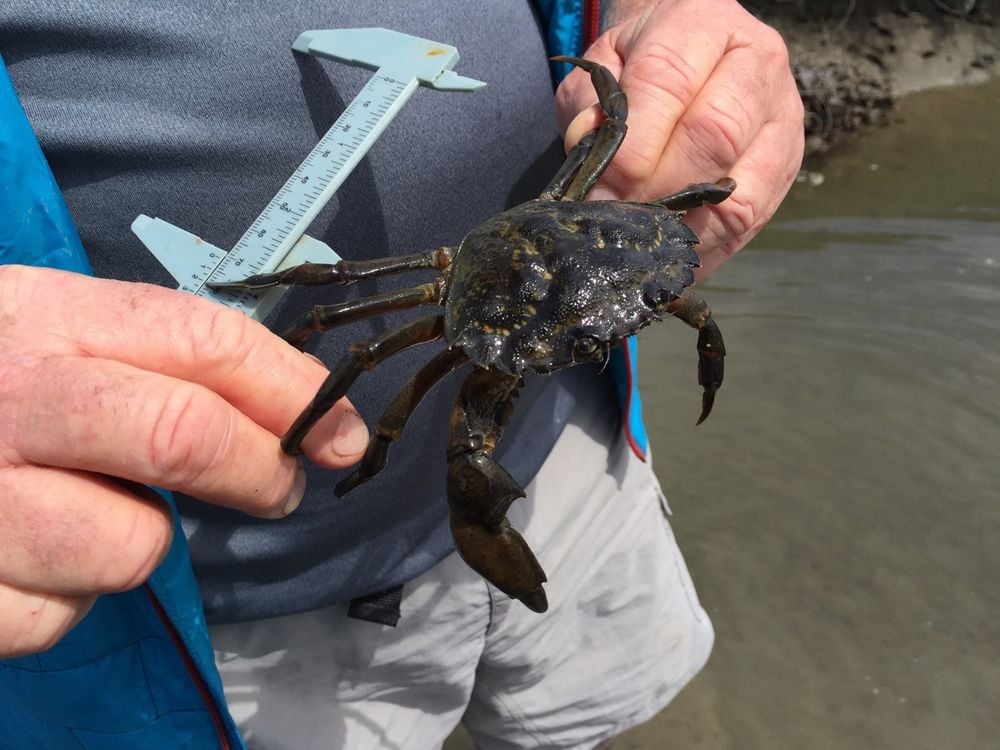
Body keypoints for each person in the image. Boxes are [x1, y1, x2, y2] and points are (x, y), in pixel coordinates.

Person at [0, 1, 803, 747]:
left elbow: (623, 126)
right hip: (220, 621)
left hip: (577, 451)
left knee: (606, 717)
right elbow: (334, 326)